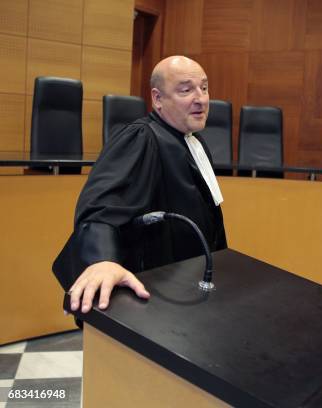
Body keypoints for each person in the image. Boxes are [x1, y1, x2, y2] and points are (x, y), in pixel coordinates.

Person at [53, 56, 227, 315]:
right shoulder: (142, 137)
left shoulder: (194, 142)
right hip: (158, 291)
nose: (201, 98)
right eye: (186, 90)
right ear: (157, 99)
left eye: (204, 87)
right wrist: (103, 260)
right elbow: (100, 208)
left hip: (190, 283)